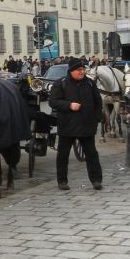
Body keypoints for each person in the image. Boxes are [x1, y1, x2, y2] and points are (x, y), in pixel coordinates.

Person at [48, 58, 104, 190]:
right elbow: (53, 102)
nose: (82, 72)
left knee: (92, 154)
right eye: (79, 70)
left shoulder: (90, 83)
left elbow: (98, 102)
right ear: (71, 71)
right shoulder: (61, 83)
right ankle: (62, 181)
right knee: (63, 154)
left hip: (86, 126)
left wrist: (96, 119)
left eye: (83, 69)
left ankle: (96, 180)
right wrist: (69, 105)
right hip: (67, 126)